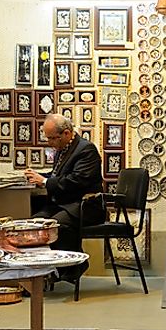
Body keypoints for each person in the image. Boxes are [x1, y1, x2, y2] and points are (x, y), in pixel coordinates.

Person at [24, 114, 103, 282]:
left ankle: (75, 266)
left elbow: (76, 181)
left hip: (86, 205)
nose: (50, 143)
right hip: (66, 204)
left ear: (67, 133)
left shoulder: (86, 149)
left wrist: (45, 181)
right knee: (34, 224)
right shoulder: (63, 149)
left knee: (57, 225)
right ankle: (46, 272)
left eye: (52, 138)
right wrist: (38, 177)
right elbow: (58, 176)